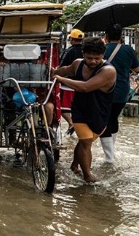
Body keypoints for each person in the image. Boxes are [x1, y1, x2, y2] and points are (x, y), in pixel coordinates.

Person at [52, 37, 116, 183]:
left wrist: (62, 80)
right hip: (79, 110)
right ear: (83, 54)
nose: (93, 61)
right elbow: (64, 70)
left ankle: (74, 165)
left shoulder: (108, 71)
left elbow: (86, 87)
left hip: (100, 112)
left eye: (97, 58)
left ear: (103, 55)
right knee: (86, 142)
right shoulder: (78, 64)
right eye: (89, 58)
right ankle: (88, 176)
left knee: (83, 142)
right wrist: (53, 72)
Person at [100, 23, 139, 163]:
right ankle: (112, 149)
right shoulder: (128, 50)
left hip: (104, 90)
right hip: (122, 91)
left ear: (106, 36)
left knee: (105, 121)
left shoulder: (101, 49)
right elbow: (136, 68)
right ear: (121, 36)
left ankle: (109, 157)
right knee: (114, 118)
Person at [59, 28, 84, 132]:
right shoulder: (86, 51)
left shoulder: (69, 51)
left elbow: (62, 67)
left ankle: (71, 123)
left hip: (68, 85)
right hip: (83, 85)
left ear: (72, 39)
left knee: (62, 107)